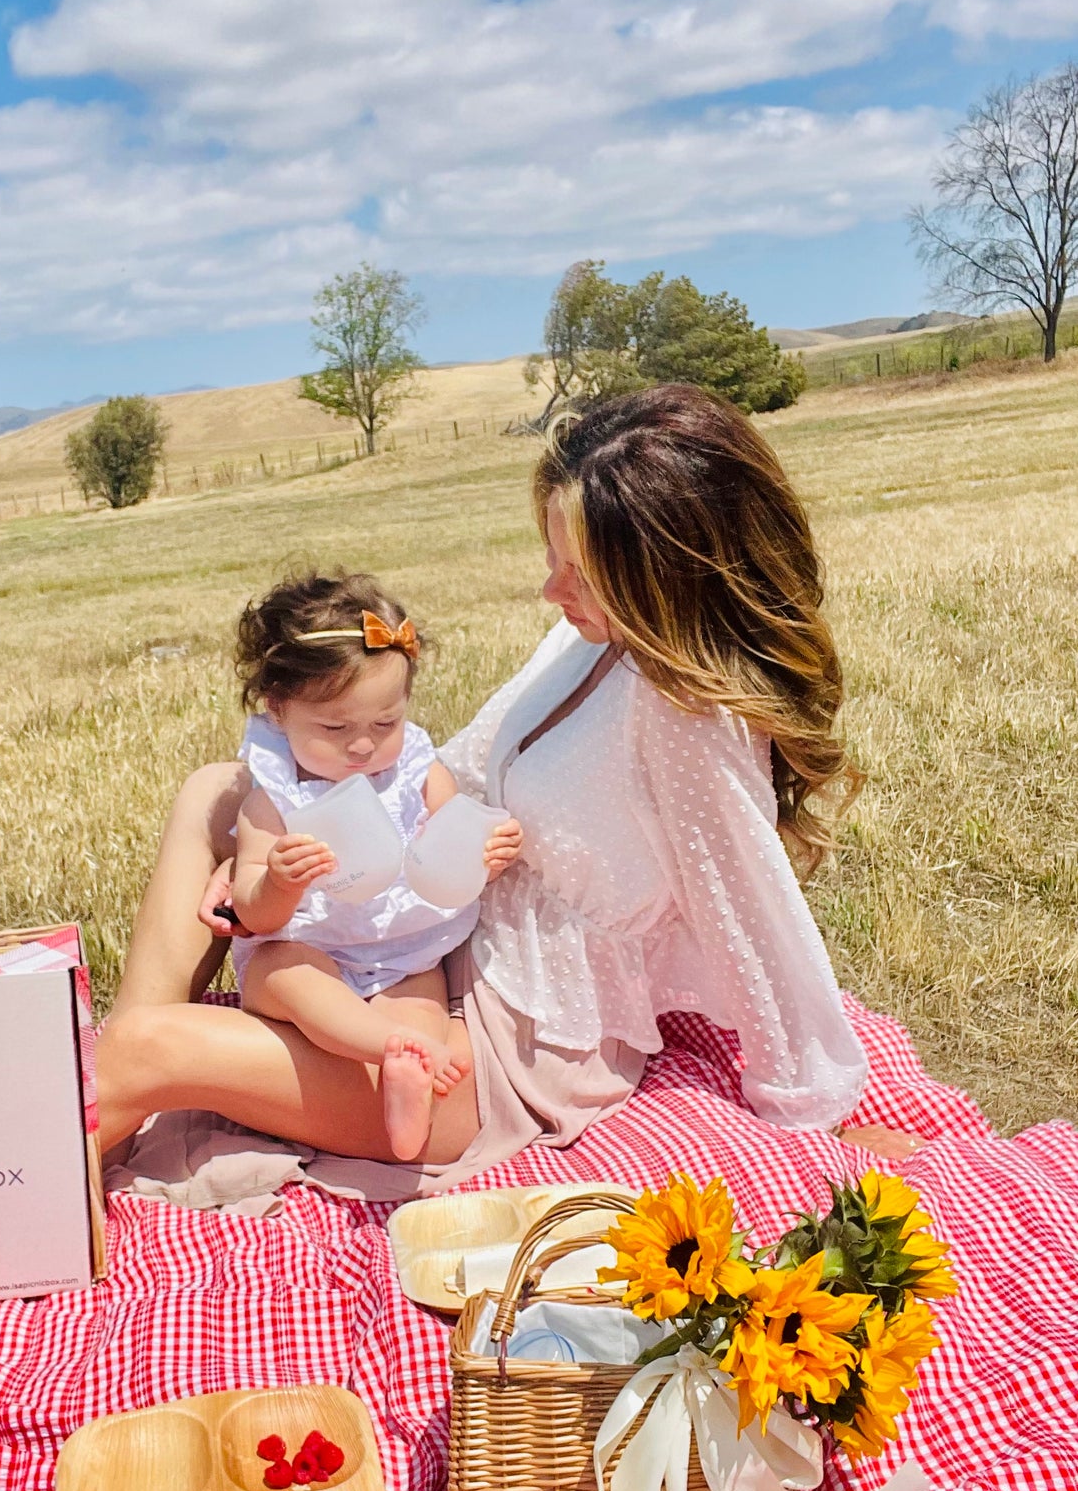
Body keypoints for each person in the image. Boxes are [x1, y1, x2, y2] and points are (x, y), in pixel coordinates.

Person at [96, 384, 923, 1185]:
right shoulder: (584, 641)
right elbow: (445, 766)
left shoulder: (687, 715)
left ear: (664, 574)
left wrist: (817, 1112)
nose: (549, 590)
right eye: (554, 559)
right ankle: (106, 1114)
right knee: (216, 788)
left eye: (579, 571)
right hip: (441, 938)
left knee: (143, 1050)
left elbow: (754, 912)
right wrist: (266, 843)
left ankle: (77, 1146)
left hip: (508, 1051)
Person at [226, 570, 522, 1159]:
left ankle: (407, 1078)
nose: (363, 746)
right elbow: (252, 913)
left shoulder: (415, 771)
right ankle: (392, 1047)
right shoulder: (275, 797)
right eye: (335, 728)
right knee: (281, 974)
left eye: (385, 723)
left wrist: (485, 854)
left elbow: (451, 845)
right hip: (310, 947)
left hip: (402, 950)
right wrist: (281, 880)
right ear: (278, 709)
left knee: (422, 997)